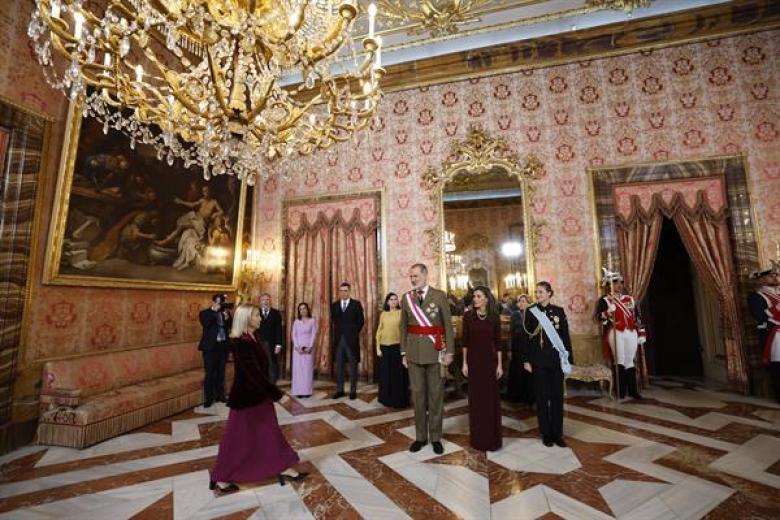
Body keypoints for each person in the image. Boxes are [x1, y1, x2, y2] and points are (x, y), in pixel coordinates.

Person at [210, 304, 308, 494]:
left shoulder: (254, 337)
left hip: (259, 397)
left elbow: (260, 373)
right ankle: (221, 478)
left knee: (270, 433)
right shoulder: (241, 342)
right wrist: (279, 396)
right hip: (246, 399)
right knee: (237, 439)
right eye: (256, 315)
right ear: (246, 318)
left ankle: (284, 466)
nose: (260, 318)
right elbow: (253, 374)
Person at [399, 263, 455, 455]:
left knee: (436, 397)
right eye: (411, 276)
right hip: (414, 355)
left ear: (425, 275)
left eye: (415, 276)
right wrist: (404, 353)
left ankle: (436, 437)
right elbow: (403, 327)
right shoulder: (406, 298)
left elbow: (447, 325)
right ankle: (421, 437)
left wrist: (450, 353)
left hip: (435, 353)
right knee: (418, 397)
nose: (413, 279)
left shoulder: (439, 296)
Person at [522, 281, 573, 448]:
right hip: (538, 361)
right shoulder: (531, 312)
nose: (538, 295)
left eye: (541, 292)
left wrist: (568, 359)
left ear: (550, 293)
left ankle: (557, 433)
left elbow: (565, 336)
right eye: (536, 292)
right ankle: (546, 433)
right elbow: (526, 338)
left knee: (557, 397)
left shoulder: (558, 311)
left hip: (556, 360)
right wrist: (526, 360)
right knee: (542, 398)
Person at [595, 268, 646, 400]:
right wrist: (607, 312)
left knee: (630, 361)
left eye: (620, 282)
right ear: (609, 284)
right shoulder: (605, 300)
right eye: (615, 282)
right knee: (620, 360)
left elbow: (637, 317)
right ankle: (620, 391)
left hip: (631, 332)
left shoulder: (629, 299)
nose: (619, 285)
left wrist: (641, 333)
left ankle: (633, 391)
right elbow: (599, 318)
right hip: (616, 331)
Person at [461, 286, 503, 451]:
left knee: (490, 401)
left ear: (486, 298)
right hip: (474, 362)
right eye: (474, 296)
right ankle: (478, 439)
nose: (475, 299)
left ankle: (492, 439)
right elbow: (465, 342)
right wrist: (464, 363)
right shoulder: (468, 316)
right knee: (476, 401)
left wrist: (499, 364)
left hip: (490, 362)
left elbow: (498, 342)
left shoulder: (494, 317)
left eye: (478, 296)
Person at [748, 260, 780, 402]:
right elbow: (760, 316)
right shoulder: (756, 296)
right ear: (761, 279)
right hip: (773, 335)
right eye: (771, 275)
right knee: (777, 367)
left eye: (776, 275)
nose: (775, 278)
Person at [330, 283, 365, 399]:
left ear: (349, 291)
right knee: (339, 366)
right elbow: (334, 321)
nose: (343, 293)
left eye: (345, 290)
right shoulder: (334, 305)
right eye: (341, 291)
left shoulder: (356, 304)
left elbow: (361, 321)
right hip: (339, 340)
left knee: (353, 367)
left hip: (351, 341)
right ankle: (340, 390)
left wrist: (353, 333)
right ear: (339, 292)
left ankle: (352, 391)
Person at [376, 292, 409, 408]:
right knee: (386, 374)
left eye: (395, 299)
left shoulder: (401, 314)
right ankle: (386, 399)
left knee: (398, 375)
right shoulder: (383, 314)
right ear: (387, 302)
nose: (393, 301)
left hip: (397, 347)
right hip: (384, 347)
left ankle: (399, 400)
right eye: (391, 299)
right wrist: (378, 347)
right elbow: (379, 331)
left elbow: (405, 331)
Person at [198, 294, 231, 408]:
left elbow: (228, 327)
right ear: (212, 302)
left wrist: (227, 319)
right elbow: (206, 324)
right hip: (210, 348)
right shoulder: (204, 313)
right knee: (210, 373)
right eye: (217, 302)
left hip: (222, 346)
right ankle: (209, 399)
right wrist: (214, 312)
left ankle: (220, 395)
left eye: (221, 303)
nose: (219, 305)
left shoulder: (225, 313)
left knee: (221, 372)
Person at [506, 294, 534, 405]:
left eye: (523, 301)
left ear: (529, 302)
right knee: (518, 370)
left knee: (528, 372)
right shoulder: (515, 315)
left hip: (530, 347)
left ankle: (529, 396)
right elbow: (513, 332)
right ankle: (517, 396)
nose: (521, 303)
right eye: (519, 301)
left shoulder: (533, 315)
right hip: (517, 346)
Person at [256, 293, 284, 384]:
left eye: (267, 299)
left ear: (270, 301)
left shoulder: (275, 313)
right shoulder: (256, 312)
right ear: (260, 302)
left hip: (272, 343)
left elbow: (279, 330)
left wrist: (279, 344)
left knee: (272, 363)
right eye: (263, 300)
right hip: (259, 343)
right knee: (260, 363)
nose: (265, 301)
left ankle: (272, 384)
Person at [291, 302, 317, 398]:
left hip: (308, 349)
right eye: (300, 309)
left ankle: (307, 391)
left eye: (304, 308)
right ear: (299, 311)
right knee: (298, 371)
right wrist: (297, 346)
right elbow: (293, 335)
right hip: (297, 350)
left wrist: (310, 347)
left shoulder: (312, 321)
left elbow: (313, 334)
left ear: (307, 309)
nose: (302, 310)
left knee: (307, 370)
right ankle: (298, 391)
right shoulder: (296, 322)